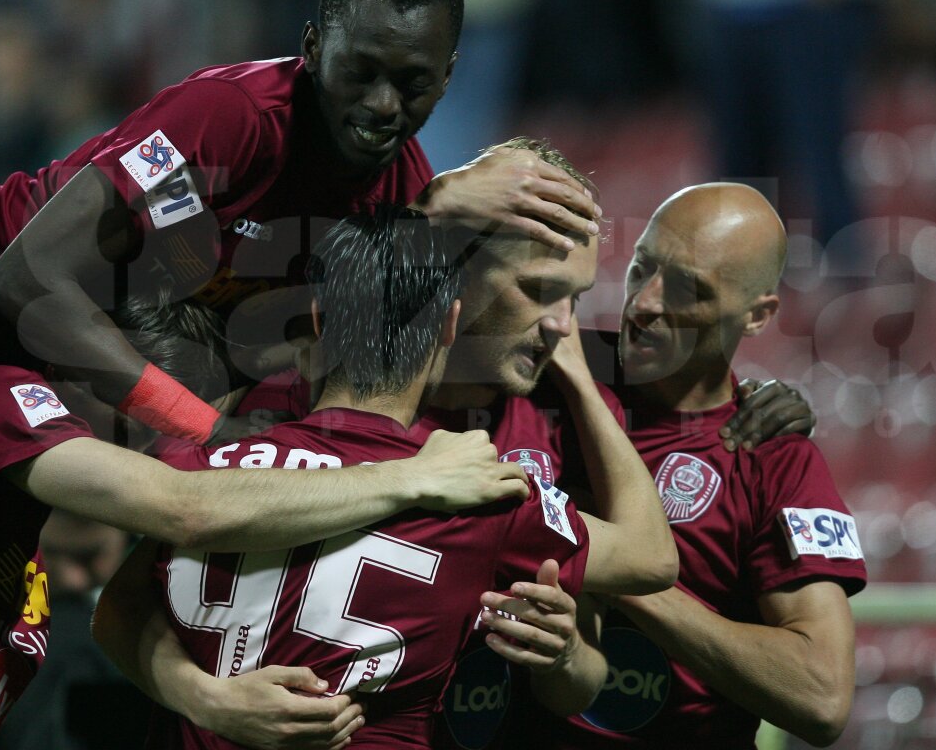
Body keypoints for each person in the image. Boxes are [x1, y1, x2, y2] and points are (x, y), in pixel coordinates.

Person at [0, 0, 600, 439]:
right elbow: (25, 278)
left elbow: (378, 384)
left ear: (448, 78)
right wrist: (205, 429)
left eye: (412, 84)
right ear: (314, 45)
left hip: (74, 358)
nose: (384, 104)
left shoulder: (401, 195)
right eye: (361, 71)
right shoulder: (229, 118)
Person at [93, 205, 677, 749]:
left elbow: (117, 607)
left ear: (318, 319)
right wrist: (582, 381)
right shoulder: (483, 495)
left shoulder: (206, 464)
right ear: (451, 323)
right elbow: (652, 558)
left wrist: (205, 700)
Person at [0, 292, 528, 750]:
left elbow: (122, 600)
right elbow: (183, 504)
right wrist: (408, 476)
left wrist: (207, 699)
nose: (143, 453)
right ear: (77, 376)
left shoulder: (21, 522)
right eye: (140, 427)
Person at [484, 183, 867, 748]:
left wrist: (611, 563)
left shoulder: (772, 458)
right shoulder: (540, 365)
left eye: (688, 289)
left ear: (757, 314)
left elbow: (822, 697)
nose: (643, 304)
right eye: (643, 267)